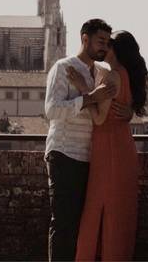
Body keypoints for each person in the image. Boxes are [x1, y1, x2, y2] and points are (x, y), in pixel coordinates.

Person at [44, 18, 132, 262]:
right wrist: (88, 97)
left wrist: (130, 112)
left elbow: (110, 109)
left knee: (81, 227)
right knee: (63, 224)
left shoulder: (100, 73)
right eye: (100, 41)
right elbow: (52, 110)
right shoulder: (63, 67)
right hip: (63, 153)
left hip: (88, 157)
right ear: (85, 39)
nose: (104, 46)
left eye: (107, 42)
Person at [68, 31, 148, 261]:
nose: (103, 47)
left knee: (98, 205)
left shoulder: (113, 76)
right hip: (121, 145)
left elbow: (99, 119)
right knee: (117, 208)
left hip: (108, 149)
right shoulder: (123, 74)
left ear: (115, 50)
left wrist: (84, 88)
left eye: (107, 44)